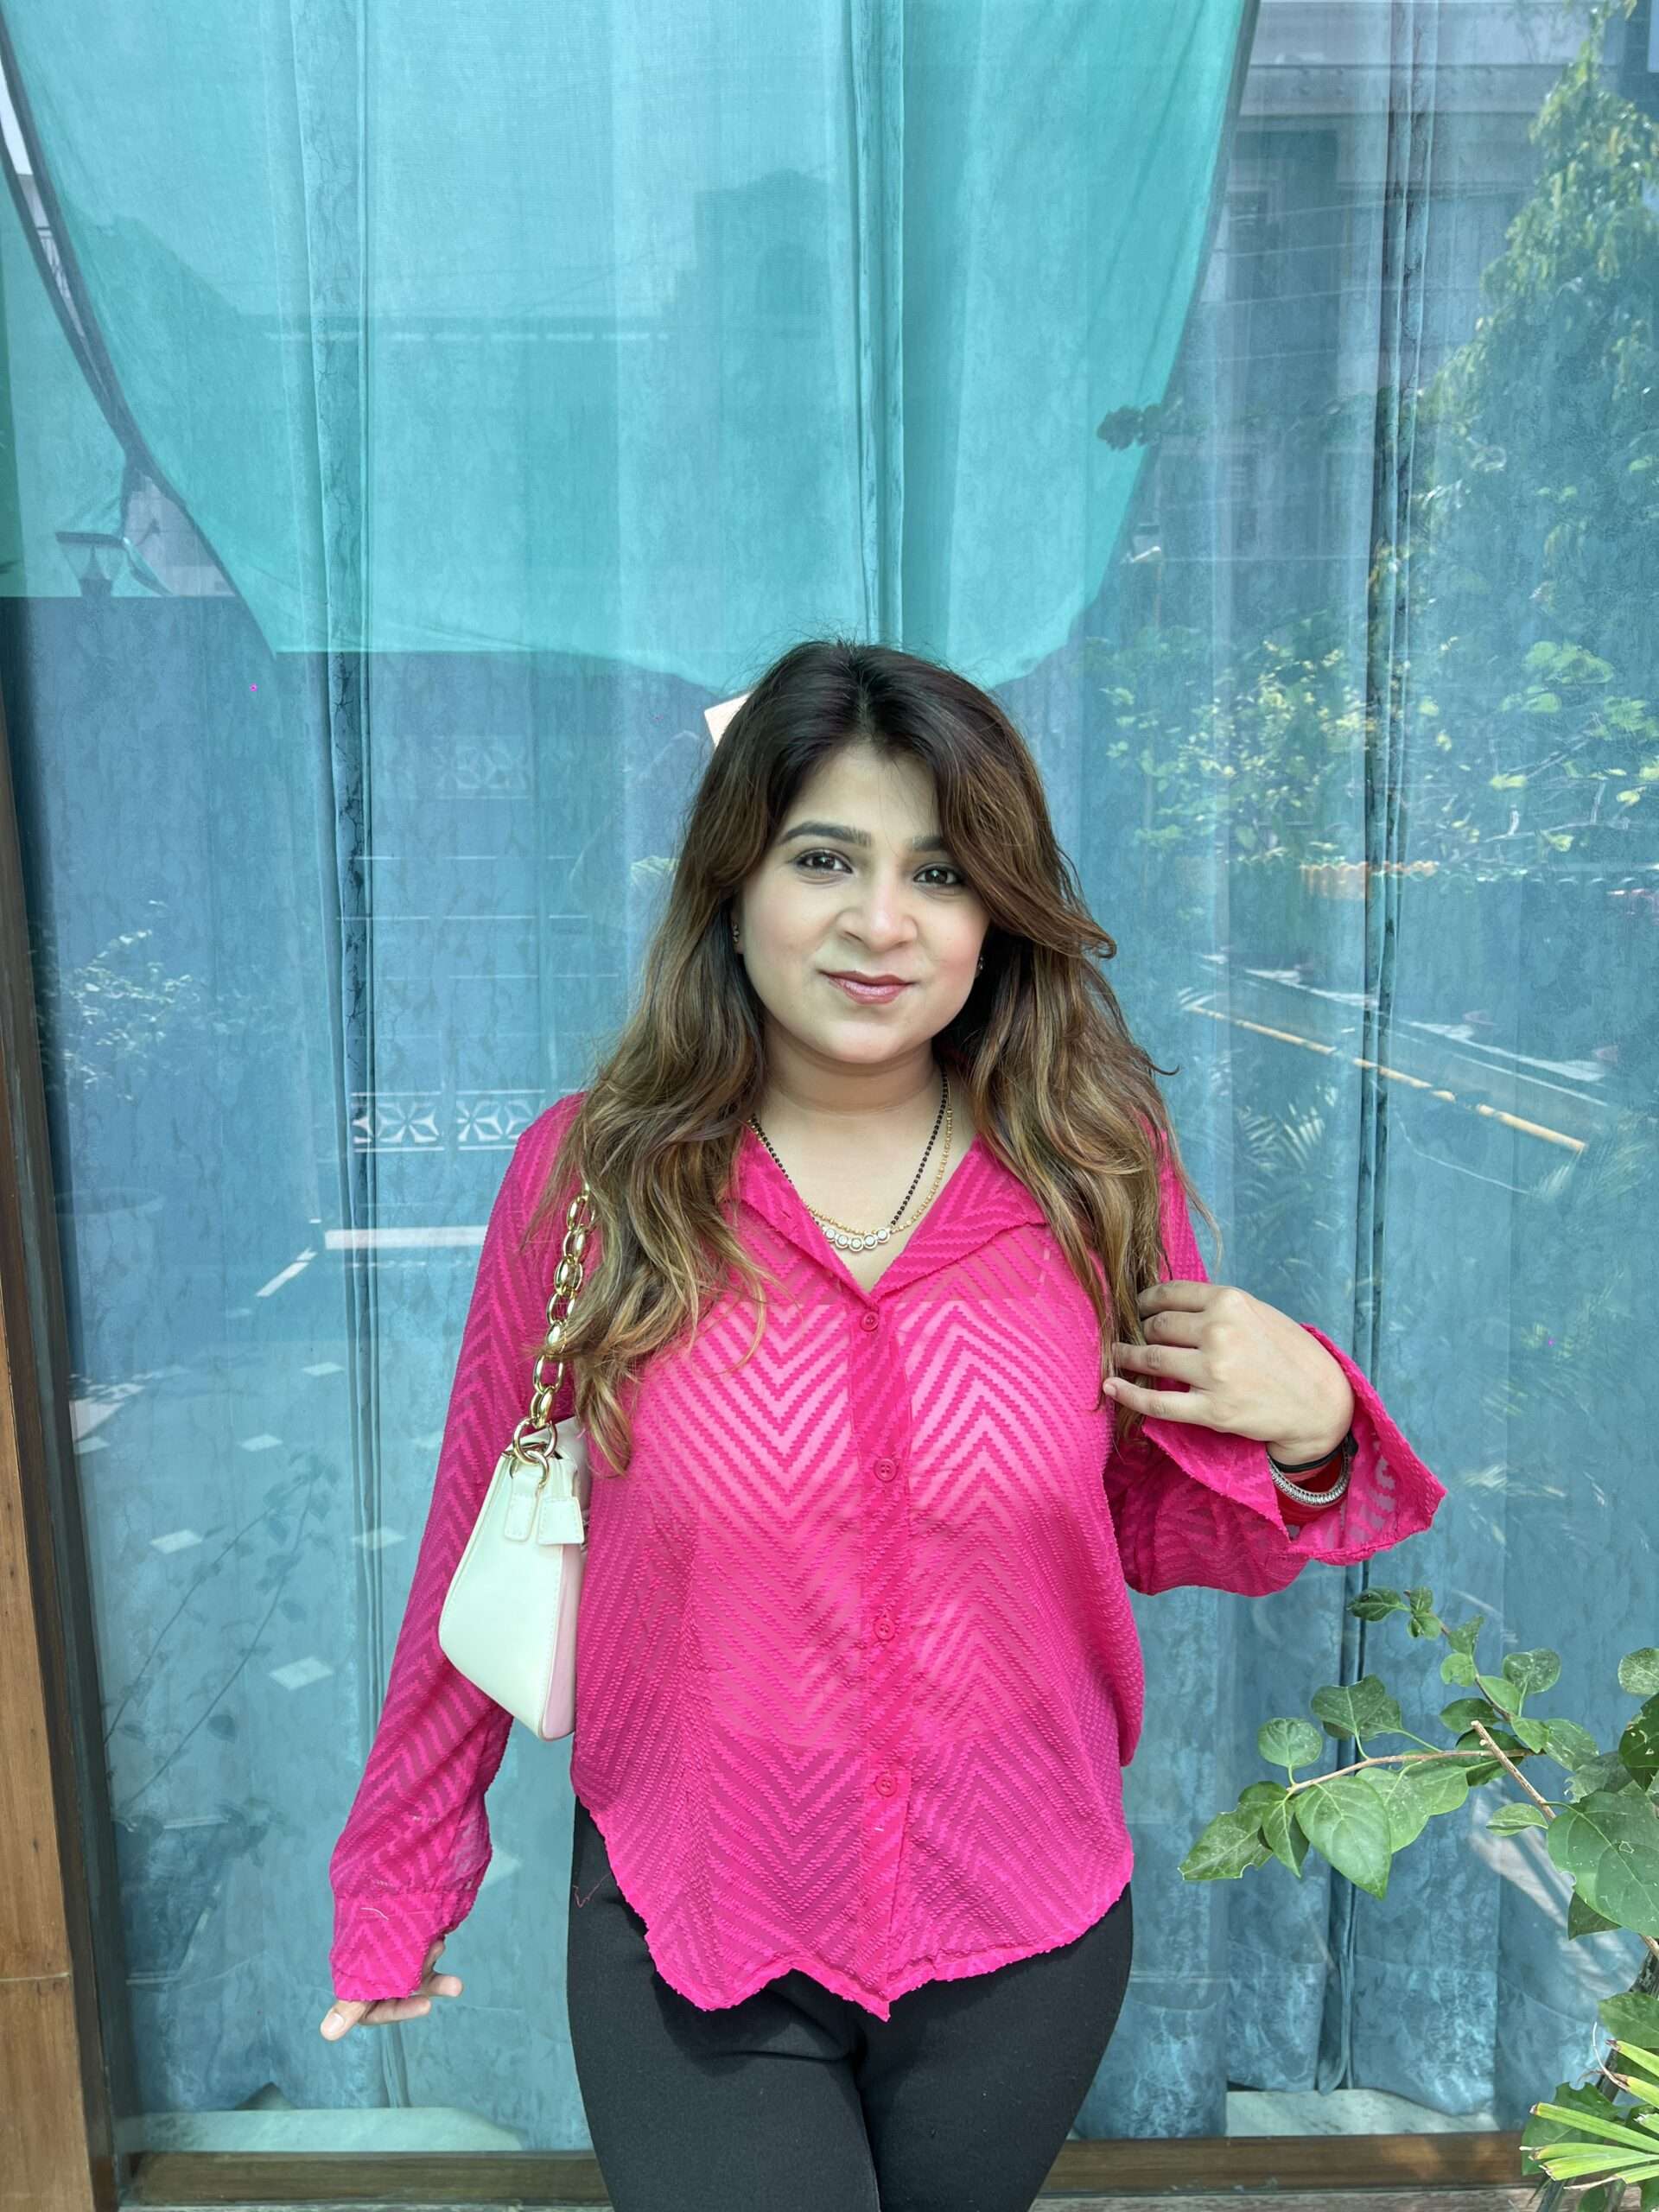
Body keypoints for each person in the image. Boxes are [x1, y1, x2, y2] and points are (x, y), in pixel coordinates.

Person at [317, 638, 1446, 2212]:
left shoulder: (1093, 1165)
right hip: (695, 1919)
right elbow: (478, 1533)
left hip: (1020, 1920)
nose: (881, 923)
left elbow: (1154, 1519)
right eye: (824, 859)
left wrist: (1313, 1421)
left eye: (940, 872)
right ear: (733, 882)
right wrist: (400, 1877)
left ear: (997, 915)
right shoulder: (594, 1179)